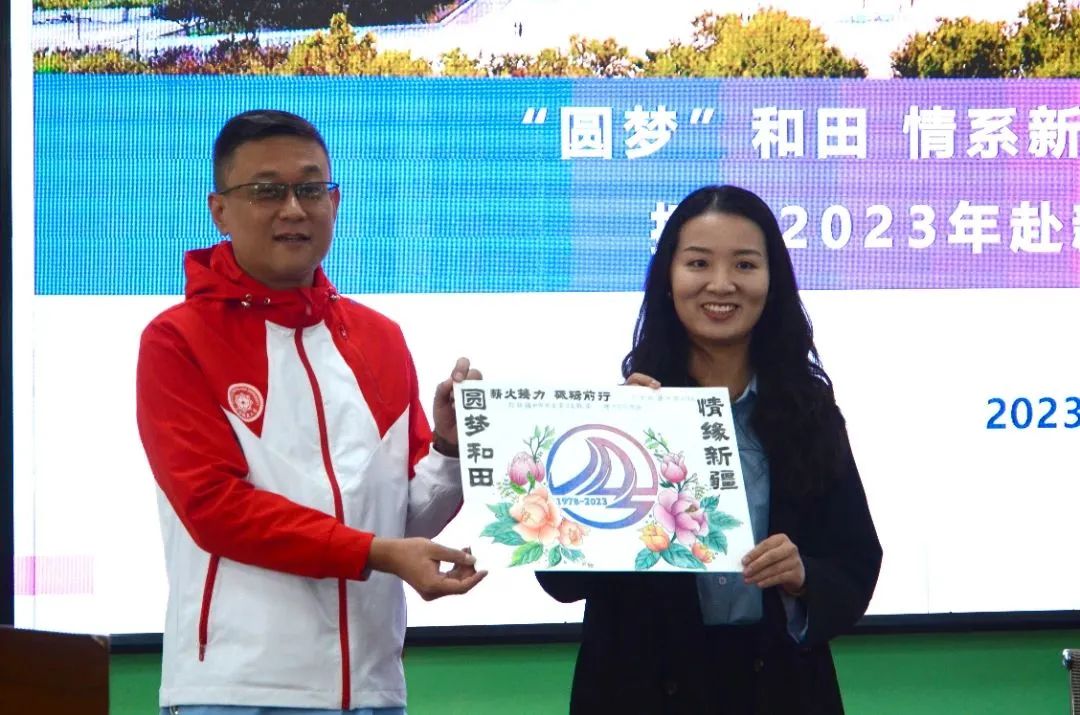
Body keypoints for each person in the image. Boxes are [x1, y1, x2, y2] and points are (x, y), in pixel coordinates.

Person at [136, 109, 485, 714]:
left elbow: (404, 520)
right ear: (220, 210)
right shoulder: (178, 340)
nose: (294, 209)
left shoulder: (380, 338)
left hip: (374, 689)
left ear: (335, 201)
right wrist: (376, 554)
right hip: (235, 692)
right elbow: (216, 509)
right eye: (267, 191)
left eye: (311, 189)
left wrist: (451, 449)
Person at [537, 185, 882, 714]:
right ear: (668, 278)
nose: (721, 284)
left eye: (745, 264)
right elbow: (561, 580)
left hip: (779, 688)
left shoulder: (809, 414)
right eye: (698, 263)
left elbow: (855, 560)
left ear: (772, 280)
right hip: (640, 691)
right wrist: (616, 450)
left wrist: (804, 575)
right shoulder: (622, 416)